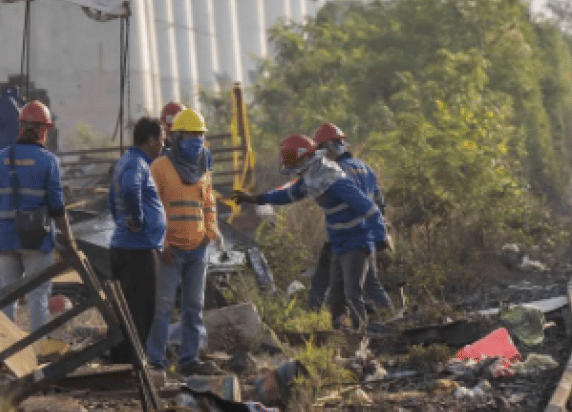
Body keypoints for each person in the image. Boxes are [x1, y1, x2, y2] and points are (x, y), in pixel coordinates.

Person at [234, 134, 381, 330]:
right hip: (338, 243)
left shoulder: (334, 180)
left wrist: (381, 241)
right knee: (336, 296)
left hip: (357, 240)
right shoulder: (312, 176)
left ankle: (363, 334)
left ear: (303, 159)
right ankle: (342, 334)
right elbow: (287, 195)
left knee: (352, 293)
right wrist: (256, 199)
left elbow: (370, 209)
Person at [0, 100, 76, 332]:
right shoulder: (49, 161)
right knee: (38, 297)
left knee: (7, 297)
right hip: (37, 240)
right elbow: (57, 207)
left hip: (6, 237)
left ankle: (6, 352)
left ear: (21, 126)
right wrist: (69, 238)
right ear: (43, 129)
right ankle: (37, 352)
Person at [146, 107, 223, 378]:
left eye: (199, 136)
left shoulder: (203, 166)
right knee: (163, 307)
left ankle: (189, 360)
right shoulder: (160, 167)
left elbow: (209, 203)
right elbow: (152, 209)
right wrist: (161, 244)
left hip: (197, 248)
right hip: (171, 250)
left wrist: (210, 233)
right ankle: (155, 360)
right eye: (190, 136)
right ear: (176, 137)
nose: (195, 141)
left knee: (194, 308)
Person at [312, 123, 393, 314]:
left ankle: (384, 319)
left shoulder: (336, 172)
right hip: (368, 233)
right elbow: (380, 204)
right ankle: (380, 318)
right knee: (366, 283)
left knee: (364, 285)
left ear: (330, 147)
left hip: (352, 237)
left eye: (321, 150)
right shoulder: (364, 167)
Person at [108, 116, 167, 364]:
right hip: (139, 250)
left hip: (126, 246)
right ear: (151, 141)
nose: (163, 145)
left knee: (127, 309)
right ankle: (133, 364)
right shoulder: (138, 165)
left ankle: (123, 360)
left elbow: (111, 201)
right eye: (161, 140)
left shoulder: (125, 161)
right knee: (141, 311)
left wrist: (123, 220)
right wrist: (137, 219)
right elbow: (131, 189)